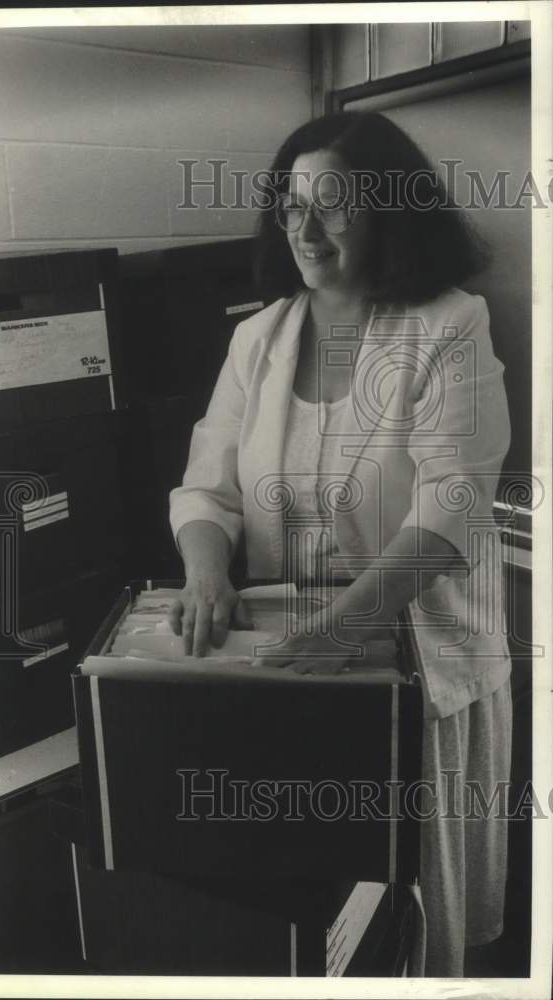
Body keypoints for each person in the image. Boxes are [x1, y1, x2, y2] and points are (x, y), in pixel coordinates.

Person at [168, 111, 513, 977]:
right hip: (304, 661)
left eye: (334, 206)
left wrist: (352, 624)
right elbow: (208, 487)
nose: (305, 229)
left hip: (422, 665)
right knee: (331, 912)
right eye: (292, 206)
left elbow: (454, 499)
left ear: (389, 214)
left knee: (414, 914)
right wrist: (206, 573)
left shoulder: (449, 325)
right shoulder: (258, 339)